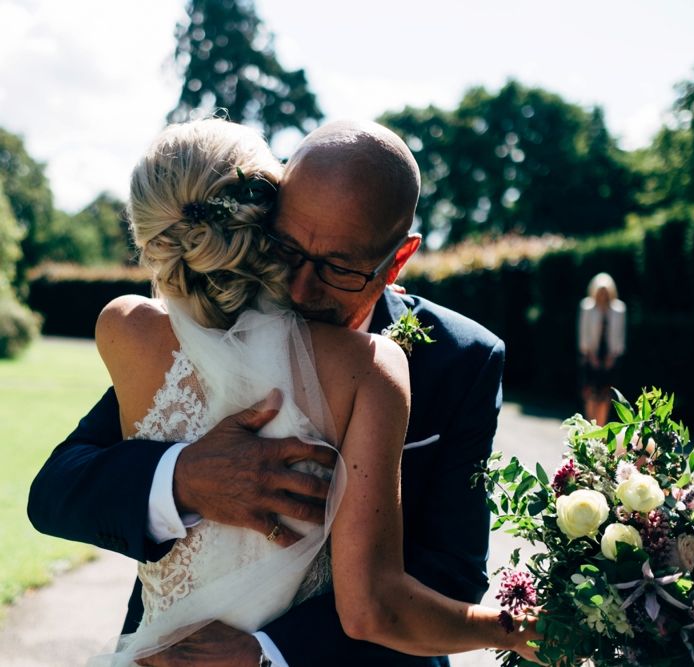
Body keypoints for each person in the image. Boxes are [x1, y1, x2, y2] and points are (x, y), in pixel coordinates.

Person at [28, 120, 535, 666]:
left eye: (339, 268)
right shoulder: (210, 317)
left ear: (398, 260)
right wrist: (184, 478)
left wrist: (269, 653)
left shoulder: (460, 360)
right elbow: (57, 491)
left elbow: (450, 575)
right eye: (286, 249)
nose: (298, 289)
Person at [578, 272, 626, 425]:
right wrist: (591, 356)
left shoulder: (619, 309)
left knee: (606, 396)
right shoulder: (587, 307)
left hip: (610, 358)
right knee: (591, 394)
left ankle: (601, 428)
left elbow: (620, 336)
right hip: (591, 357)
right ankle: (590, 428)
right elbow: (583, 334)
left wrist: (612, 357)